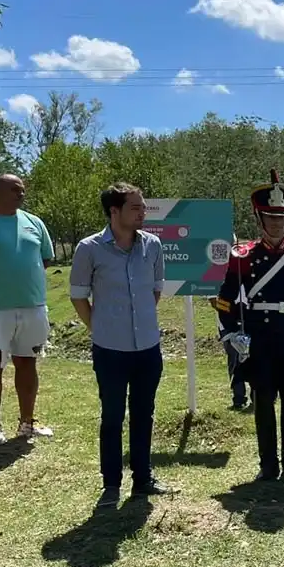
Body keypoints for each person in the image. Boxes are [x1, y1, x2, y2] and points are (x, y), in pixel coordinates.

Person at [214, 170, 284, 481]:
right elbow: (225, 300)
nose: (276, 223)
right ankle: (268, 464)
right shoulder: (244, 256)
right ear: (259, 219)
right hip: (260, 338)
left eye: (280, 217)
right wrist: (231, 332)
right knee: (263, 400)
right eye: (269, 217)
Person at [69, 183, 174, 507]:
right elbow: (77, 296)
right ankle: (111, 485)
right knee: (113, 417)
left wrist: (139, 323)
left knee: (144, 414)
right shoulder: (89, 249)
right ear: (114, 212)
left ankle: (143, 479)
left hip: (147, 348)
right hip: (109, 350)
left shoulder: (153, 245)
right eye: (135, 208)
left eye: (142, 207)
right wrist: (99, 327)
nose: (142, 212)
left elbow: (155, 291)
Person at [0, 174, 55, 448]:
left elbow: (44, 258)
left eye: (22, 190)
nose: (21, 194)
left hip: (32, 306)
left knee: (27, 362)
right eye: (14, 190)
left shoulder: (34, 222)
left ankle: (27, 423)